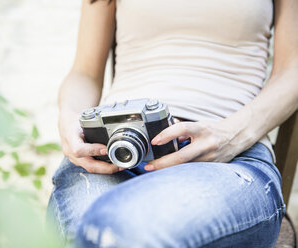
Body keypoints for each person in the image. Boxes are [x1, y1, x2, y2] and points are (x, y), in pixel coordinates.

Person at [47, 0, 298, 247]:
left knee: (113, 232)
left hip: (230, 156)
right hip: (114, 151)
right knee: (94, 234)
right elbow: (85, 73)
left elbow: (293, 72)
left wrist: (231, 135)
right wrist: (69, 115)